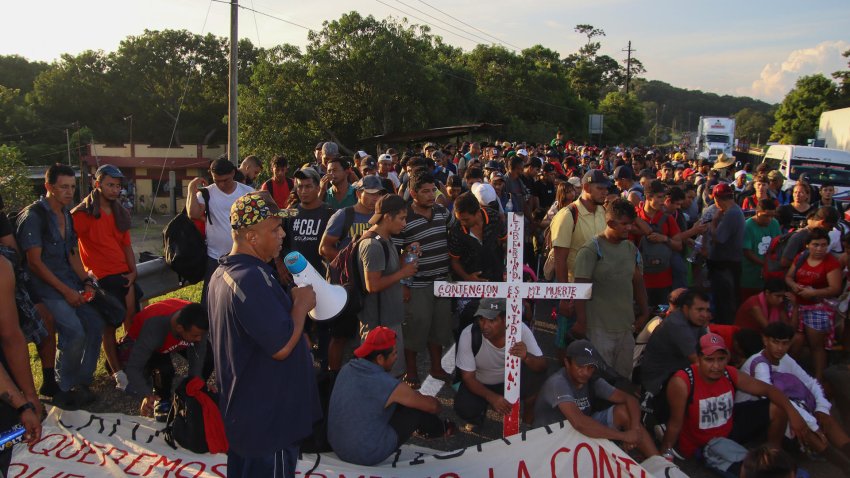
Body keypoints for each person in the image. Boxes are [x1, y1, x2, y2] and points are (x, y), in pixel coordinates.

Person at [207, 191, 320, 478]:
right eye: (274, 228)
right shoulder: (250, 279)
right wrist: (301, 305)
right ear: (251, 237)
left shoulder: (228, 272)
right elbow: (281, 346)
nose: (282, 233)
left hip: (251, 415)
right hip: (269, 421)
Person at [16, 163, 104, 408]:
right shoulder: (34, 216)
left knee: (95, 324)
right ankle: (64, 388)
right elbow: (34, 263)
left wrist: (85, 280)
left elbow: (73, 253)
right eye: (63, 187)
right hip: (45, 289)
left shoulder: (66, 213)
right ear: (49, 187)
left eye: (72, 187)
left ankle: (81, 382)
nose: (69, 192)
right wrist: (66, 291)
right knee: (74, 331)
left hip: (70, 282)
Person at [659, 333, 807, 476]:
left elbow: (768, 390)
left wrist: (793, 414)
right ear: (698, 359)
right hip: (706, 444)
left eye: (721, 359)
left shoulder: (729, 373)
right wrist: (663, 457)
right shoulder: (683, 381)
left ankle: (773, 455)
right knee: (757, 473)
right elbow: (674, 423)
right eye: (709, 360)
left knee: (777, 407)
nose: (716, 366)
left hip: (728, 427)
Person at [327, 326, 453, 466]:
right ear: (380, 358)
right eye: (394, 353)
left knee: (398, 402)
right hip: (364, 454)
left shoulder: (347, 368)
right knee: (414, 410)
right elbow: (433, 407)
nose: (397, 357)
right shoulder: (387, 384)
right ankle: (444, 429)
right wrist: (424, 400)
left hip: (336, 444)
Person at [738, 322, 850, 472]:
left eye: (784, 343)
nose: (780, 348)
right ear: (765, 340)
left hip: (786, 405)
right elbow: (774, 399)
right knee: (804, 425)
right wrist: (811, 423)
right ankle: (844, 465)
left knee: (825, 416)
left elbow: (810, 382)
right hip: (753, 414)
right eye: (775, 342)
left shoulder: (785, 359)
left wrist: (822, 409)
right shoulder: (759, 364)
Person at [534, 340, 662, 459]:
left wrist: (635, 431)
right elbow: (579, 422)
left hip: (578, 432)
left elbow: (630, 399)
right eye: (580, 366)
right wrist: (623, 436)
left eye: (590, 367)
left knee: (624, 411)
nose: (585, 372)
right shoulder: (558, 383)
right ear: (567, 363)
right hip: (553, 439)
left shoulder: (592, 381)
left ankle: (659, 463)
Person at [71, 164, 141, 381]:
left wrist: (133, 272)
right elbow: (71, 248)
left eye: (118, 186)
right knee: (109, 326)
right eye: (110, 185)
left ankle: (132, 363)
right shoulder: (82, 214)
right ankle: (117, 372)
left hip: (122, 274)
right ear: (97, 184)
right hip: (101, 277)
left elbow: (126, 245)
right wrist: (85, 276)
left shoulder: (120, 212)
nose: (115, 190)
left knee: (132, 319)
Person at [573, 198, 649, 379]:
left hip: (625, 328)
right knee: (600, 380)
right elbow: (580, 288)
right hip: (598, 329)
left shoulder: (631, 249)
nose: (629, 228)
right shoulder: (591, 249)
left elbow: (638, 282)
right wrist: (582, 321)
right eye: (624, 224)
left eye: (631, 224)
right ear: (610, 223)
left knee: (623, 380)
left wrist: (645, 313)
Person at [319, 174, 386, 376]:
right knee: (340, 336)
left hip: (372, 285)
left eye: (379, 195)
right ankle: (334, 378)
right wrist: (349, 263)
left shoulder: (382, 217)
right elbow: (324, 248)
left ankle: (368, 376)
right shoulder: (344, 215)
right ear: (359, 193)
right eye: (371, 194)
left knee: (371, 334)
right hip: (347, 287)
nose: (376, 199)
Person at [393, 172, 453, 388]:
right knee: (415, 330)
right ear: (412, 193)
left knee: (439, 329)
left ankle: (436, 368)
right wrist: (403, 284)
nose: (430, 195)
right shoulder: (404, 218)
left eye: (432, 191)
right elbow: (397, 252)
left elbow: (455, 230)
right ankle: (411, 372)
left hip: (442, 281)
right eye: (425, 191)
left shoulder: (442, 212)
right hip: (417, 284)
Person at [454, 298, 547, 426]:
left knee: (538, 379)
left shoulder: (520, 330)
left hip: (513, 379)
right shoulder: (468, 334)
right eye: (481, 319)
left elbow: (542, 365)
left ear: (505, 320)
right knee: (464, 407)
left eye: (492, 320)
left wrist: (526, 357)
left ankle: (528, 422)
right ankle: (478, 415)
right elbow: (468, 378)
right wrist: (491, 397)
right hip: (482, 382)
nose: (485, 326)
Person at [357, 194, 417, 377]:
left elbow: (387, 270)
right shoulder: (373, 245)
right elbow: (372, 285)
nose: (405, 223)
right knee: (381, 378)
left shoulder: (385, 239)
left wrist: (406, 255)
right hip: (378, 324)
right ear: (387, 217)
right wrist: (403, 273)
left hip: (387, 319)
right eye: (402, 218)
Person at [118, 299, 210, 420]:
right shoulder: (154, 328)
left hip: (174, 337)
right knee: (164, 369)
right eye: (196, 336)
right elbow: (134, 367)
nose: (199, 339)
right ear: (179, 328)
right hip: (148, 343)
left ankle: (191, 393)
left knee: (209, 357)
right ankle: (161, 399)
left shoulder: (196, 322)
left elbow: (199, 355)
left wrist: (197, 381)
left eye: (201, 335)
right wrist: (146, 394)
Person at [551, 170, 609, 351]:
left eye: (606, 189)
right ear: (585, 187)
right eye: (600, 188)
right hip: (572, 289)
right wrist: (564, 296)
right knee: (566, 342)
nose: (604, 192)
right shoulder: (567, 215)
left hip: (597, 289)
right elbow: (560, 258)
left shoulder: (603, 211)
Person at [187, 158, 255, 306]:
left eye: (225, 180)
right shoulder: (207, 193)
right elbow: (192, 213)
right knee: (211, 301)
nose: (221, 185)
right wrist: (191, 189)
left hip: (242, 257)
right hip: (215, 257)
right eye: (217, 181)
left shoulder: (248, 193)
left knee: (240, 301)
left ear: (233, 173)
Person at [786, 227, 842, 381]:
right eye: (816, 245)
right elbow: (789, 277)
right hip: (797, 305)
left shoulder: (831, 263)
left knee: (817, 346)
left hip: (818, 308)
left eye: (823, 245)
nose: (820, 249)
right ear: (807, 245)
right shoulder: (801, 257)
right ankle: (791, 375)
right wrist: (794, 286)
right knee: (795, 340)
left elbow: (835, 288)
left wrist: (814, 293)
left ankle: (818, 378)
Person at [447, 192, 506, 332]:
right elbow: (454, 261)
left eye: (466, 219)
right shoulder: (456, 230)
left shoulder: (495, 217)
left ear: (477, 212)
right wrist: (468, 278)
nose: (462, 223)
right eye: (459, 219)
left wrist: (507, 269)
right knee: (469, 327)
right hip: (469, 289)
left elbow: (506, 243)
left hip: (496, 281)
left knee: (495, 326)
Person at [640, 290, 711, 398]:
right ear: (686, 308)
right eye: (700, 310)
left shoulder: (696, 319)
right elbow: (697, 361)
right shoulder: (676, 324)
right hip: (660, 381)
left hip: (679, 371)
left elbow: (708, 347)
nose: (704, 314)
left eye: (706, 310)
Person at [636, 180, 682, 309]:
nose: (663, 201)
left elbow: (679, 245)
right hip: (640, 281)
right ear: (649, 197)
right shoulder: (635, 216)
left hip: (663, 281)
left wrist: (664, 239)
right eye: (659, 197)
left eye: (664, 197)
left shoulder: (668, 219)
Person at [707, 183, 746, 324]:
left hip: (725, 266)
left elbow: (719, 238)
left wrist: (713, 223)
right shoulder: (733, 212)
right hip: (727, 264)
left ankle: (725, 329)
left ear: (718, 199)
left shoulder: (732, 213)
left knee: (725, 303)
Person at [740, 199, 782, 301]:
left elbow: (779, 244)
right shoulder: (747, 226)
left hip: (768, 276)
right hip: (749, 276)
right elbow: (747, 252)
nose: (769, 219)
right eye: (766, 216)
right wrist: (765, 264)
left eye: (772, 216)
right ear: (757, 212)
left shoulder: (774, 223)